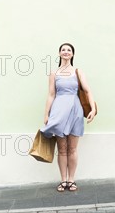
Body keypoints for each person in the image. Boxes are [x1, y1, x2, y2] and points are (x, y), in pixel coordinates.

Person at [40, 42, 96, 192]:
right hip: (58, 111)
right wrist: (46, 114)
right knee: (62, 148)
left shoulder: (78, 72)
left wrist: (93, 108)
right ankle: (63, 180)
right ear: (59, 53)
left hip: (75, 112)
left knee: (72, 148)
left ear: (72, 54)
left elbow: (88, 91)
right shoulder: (54, 73)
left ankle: (71, 179)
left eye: (69, 50)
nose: (66, 52)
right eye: (63, 50)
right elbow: (51, 95)